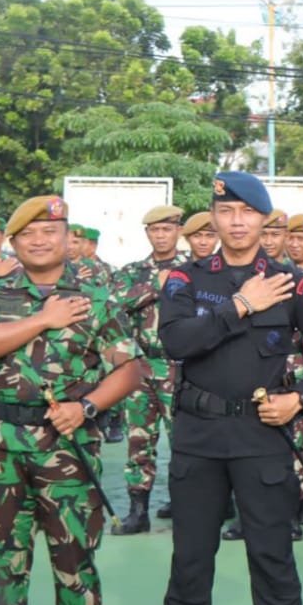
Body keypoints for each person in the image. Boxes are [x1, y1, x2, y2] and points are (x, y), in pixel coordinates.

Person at [158, 172, 303, 605]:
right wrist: (239, 304)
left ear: (264, 219)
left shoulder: (291, 283)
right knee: (190, 565)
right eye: (226, 211)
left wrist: (300, 399)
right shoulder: (186, 278)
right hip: (197, 439)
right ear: (213, 218)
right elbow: (175, 341)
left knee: (273, 560)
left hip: (262, 436)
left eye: (247, 212)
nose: (236, 222)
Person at [0, 195, 146, 605]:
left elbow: (130, 368)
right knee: (1, 569)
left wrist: (87, 407)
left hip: (67, 451)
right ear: (14, 242)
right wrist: (43, 319)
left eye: (50, 232)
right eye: (28, 234)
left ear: (67, 238)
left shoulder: (95, 297)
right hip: (1, 449)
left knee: (76, 567)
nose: (39, 241)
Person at [110, 204, 189, 534]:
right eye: (155, 230)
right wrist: (155, 286)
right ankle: (137, 510)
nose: (161, 235)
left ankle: (186, 507)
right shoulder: (132, 272)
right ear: (147, 233)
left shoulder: (194, 269)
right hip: (141, 366)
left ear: (178, 232)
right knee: (138, 440)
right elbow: (113, 304)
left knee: (183, 441)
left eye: (167, 229)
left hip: (180, 367)